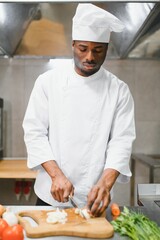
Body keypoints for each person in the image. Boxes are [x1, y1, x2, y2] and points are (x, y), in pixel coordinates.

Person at [23, 3, 136, 217]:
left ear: (107, 49)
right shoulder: (48, 82)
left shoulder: (119, 90)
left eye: (98, 50)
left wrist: (105, 183)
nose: (90, 57)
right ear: (73, 44)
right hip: (50, 196)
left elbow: (121, 141)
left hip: (96, 198)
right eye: (83, 48)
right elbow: (34, 132)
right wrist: (56, 175)